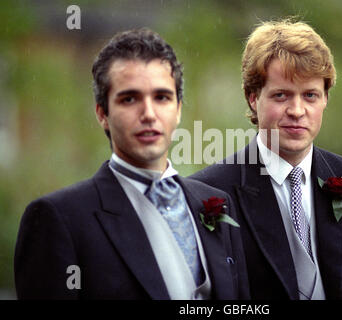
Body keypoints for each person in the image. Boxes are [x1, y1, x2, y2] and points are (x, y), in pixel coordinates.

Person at [14, 28, 249, 300]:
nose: (148, 114)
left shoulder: (216, 202)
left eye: (161, 97)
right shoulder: (59, 219)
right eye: (129, 99)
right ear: (102, 113)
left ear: (179, 109)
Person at [191, 20, 342, 300]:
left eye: (310, 95)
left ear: (326, 98)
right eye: (282, 95)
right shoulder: (206, 193)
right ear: (253, 97)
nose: (297, 110)